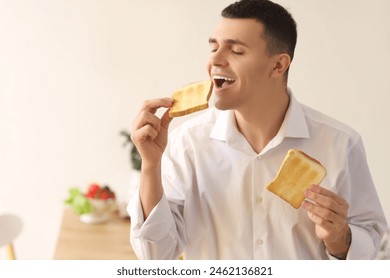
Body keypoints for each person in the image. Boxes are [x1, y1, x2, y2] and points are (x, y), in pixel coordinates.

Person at [127, 0, 387, 259]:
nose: (215, 60)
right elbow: (155, 255)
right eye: (213, 48)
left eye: (236, 51)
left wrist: (339, 237)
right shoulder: (187, 143)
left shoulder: (341, 143)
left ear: (278, 65)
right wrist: (150, 165)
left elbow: (372, 239)